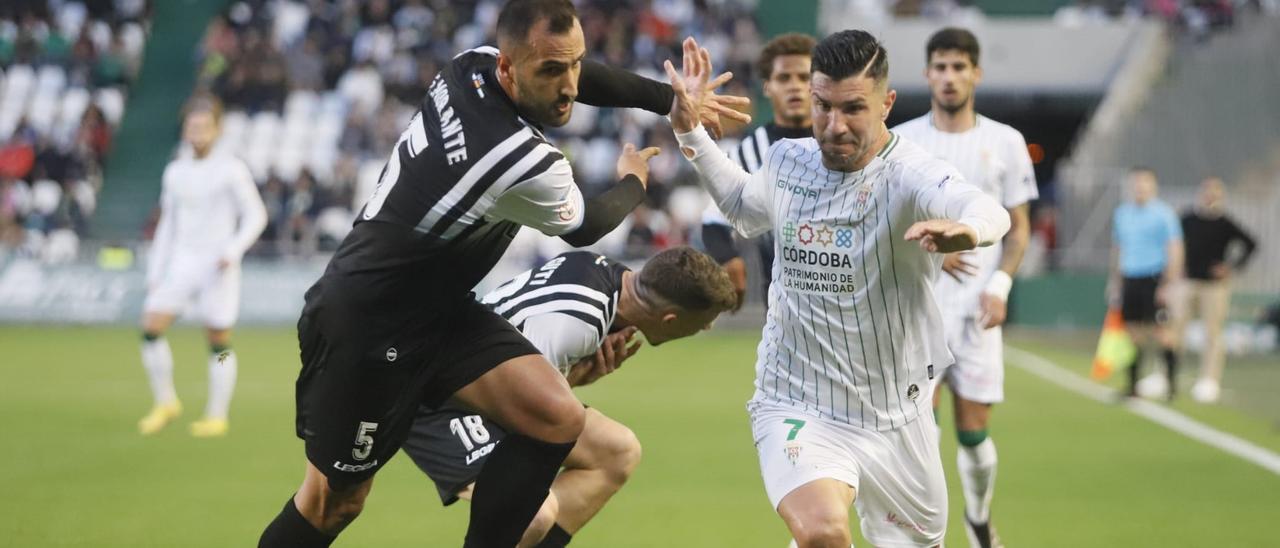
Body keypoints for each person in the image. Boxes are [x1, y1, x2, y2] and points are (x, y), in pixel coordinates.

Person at [257, 1, 749, 546]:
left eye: (576, 64)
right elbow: (586, 228)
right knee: (334, 504)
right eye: (551, 71)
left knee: (557, 417)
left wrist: (671, 98)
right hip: (372, 324)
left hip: (439, 311)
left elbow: (573, 79)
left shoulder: (472, 65)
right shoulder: (521, 159)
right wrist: (633, 179)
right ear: (510, 70)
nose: (569, 86)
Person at [666, 31, 1010, 547]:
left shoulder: (910, 174)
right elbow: (740, 205)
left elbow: (987, 209)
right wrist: (690, 132)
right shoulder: (788, 161)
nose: (833, 125)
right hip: (796, 401)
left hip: (898, 416)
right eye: (823, 106)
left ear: (886, 104)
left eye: (853, 109)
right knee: (823, 532)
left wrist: (969, 230)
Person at [402, 247, 737, 548]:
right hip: (441, 396)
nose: (705, 330)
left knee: (616, 451)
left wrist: (567, 380)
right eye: (703, 323)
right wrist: (569, 383)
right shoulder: (573, 326)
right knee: (534, 515)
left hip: (485, 378)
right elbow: (526, 409)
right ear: (670, 319)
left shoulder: (601, 269)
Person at [893, 27, 1038, 548]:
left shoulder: (1005, 142)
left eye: (959, 67)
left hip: (978, 310)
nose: (950, 77)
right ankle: (923, 533)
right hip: (916, 310)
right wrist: (932, 249)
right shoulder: (903, 140)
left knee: (974, 433)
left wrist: (999, 284)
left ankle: (978, 520)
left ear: (976, 73)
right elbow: (887, 224)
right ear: (927, 73)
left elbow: (1019, 229)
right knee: (917, 431)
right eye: (940, 67)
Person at [137, 98, 267, 438]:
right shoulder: (175, 171)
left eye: (203, 128)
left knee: (219, 342)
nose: (197, 134)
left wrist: (233, 249)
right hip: (181, 262)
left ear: (217, 129)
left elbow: (256, 215)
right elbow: (167, 224)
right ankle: (165, 401)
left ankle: (216, 413)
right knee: (151, 327)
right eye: (192, 127)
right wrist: (155, 271)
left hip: (217, 266)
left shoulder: (231, 169)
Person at [701, 33, 816, 310]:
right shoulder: (747, 152)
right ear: (767, 87)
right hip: (781, 306)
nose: (795, 87)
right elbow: (713, 222)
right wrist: (729, 258)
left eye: (804, 77)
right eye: (784, 78)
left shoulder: (843, 141)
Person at [1171, 177, 1256, 403]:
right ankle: (1167, 374)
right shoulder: (1187, 220)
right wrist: (1176, 268)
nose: (1210, 196)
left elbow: (1251, 243)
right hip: (1187, 282)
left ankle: (1209, 380)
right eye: (1207, 191)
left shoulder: (1225, 223)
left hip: (1214, 286)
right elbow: (1173, 243)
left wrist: (1231, 267)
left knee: (1212, 333)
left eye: (1215, 192)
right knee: (1174, 328)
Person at [1109, 167, 1184, 400]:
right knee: (1133, 333)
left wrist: (1168, 283)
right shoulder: (1122, 213)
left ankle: (1171, 385)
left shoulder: (1164, 214)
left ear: (1153, 185)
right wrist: (1115, 282)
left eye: (1145, 183)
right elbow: (1118, 249)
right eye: (1137, 183)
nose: (1140, 188)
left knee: (1163, 332)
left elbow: (1175, 248)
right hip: (1131, 277)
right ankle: (1133, 386)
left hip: (1154, 277)